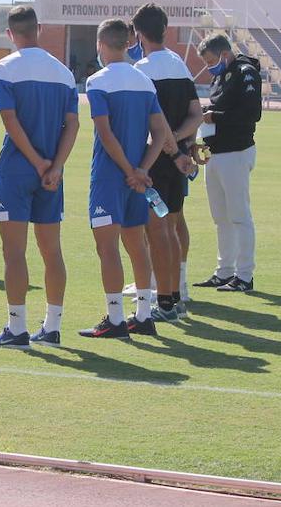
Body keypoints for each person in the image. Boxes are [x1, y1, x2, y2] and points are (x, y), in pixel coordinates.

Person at [0, 6, 79, 348]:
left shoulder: (4, 68)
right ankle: (52, 327)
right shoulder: (64, 72)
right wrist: (55, 167)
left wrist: (38, 162)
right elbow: (73, 125)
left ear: (10, 34)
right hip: (52, 173)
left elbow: (10, 120)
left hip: (17, 170)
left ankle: (17, 328)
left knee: (14, 253)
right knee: (52, 252)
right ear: (39, 28)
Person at [79, 18, 171, 339]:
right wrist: (143, 170)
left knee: (108, 248)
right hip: (138, 180)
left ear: (101, 44)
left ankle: (116, 320)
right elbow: (160, 133)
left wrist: (130, 171)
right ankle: (143, 316)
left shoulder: (97, 81)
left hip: (109, 177)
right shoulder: (144, 81)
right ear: (128, 44)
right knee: (137, 246)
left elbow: (105, 134)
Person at [131, 4, 199, 321]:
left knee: (157, 231)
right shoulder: (180, 65)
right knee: (170, 228)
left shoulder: (142, 72)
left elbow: (151, 127)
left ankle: (166, 302)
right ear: (165, 30)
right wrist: (178, 143)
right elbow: (196, 116)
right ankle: (175, 295)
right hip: (178, 162)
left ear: (139, 34)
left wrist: (167, 142)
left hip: (156, 162)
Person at [192, 34, 262, 293]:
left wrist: (215, 117)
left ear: (223, 54)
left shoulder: (245, 72)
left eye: (211, 60)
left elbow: (251, 113)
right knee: (220, 217)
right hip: (216, 153)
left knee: (239, 215)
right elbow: (219, 106)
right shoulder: (220, 76)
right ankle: (224, 272)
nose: (210, 66)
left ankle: (244, 275)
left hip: (236, 151)